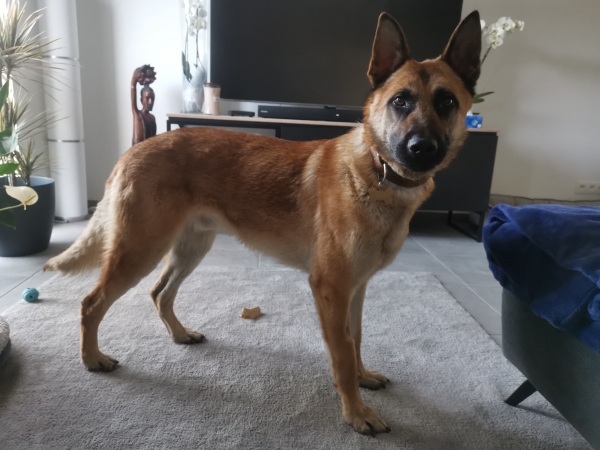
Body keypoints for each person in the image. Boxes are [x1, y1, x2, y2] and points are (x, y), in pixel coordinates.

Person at [131, 65, 157, 146]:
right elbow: (133, 88)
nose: (150, 102)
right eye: (147, 98)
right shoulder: (137, 115)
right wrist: (135, 78)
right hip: (137, 151)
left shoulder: (152, 118)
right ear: (141, 100)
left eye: (152, 99)